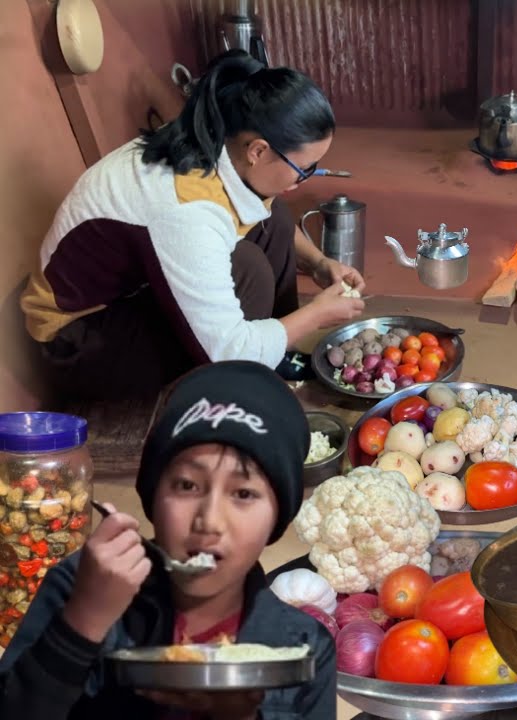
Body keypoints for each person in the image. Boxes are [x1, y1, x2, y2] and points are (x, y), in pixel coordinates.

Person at [20, 49, 365, 402]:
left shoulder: (219, 134)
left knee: (274, 219)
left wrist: (319, 263)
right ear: (258, 151)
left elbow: (263, 212)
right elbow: (229, 347)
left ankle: (274, 354)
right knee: (249, 272)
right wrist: (315, 315)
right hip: (78, 343)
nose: (308, 177)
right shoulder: (186, 211)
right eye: (305, 168)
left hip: (137, 287)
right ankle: (237, 389)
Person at [0, 361, 336, 718]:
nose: (209, 520)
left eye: (243, 494)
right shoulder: (81, 587)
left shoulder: (302, 650)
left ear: (277, 518)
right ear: (151, 497)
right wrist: (82, 623)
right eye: (187, 485)